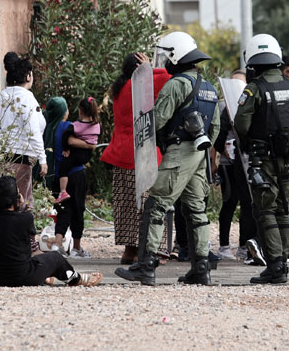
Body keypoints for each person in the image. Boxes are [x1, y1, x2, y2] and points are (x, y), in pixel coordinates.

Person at [116, 32, 221, 286]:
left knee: (156, 205)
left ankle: (146, 265)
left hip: (178, 152)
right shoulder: (207, 87)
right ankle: (201, 268)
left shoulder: (176, 84)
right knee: (196, 210)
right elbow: (215, 128)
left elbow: (158, 120)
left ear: (175, 55)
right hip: (199, 154)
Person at [234, 34, 289, 284]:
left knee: (265, 211)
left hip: (263, 160)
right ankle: (283, 263)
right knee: (283, 210)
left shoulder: (253, 89)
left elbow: (241, 125)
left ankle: (274, 265)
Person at [100, 52, 171, 264]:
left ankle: (129, 251)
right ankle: (148, 250)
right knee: (148, 203)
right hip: (143, 154)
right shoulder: (144, 83)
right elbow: (170, 76)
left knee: (127, 206)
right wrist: (150, 67)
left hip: (120, 153)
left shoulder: (119, 88)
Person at [0, 176, 101, 287]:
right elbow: (30, 248)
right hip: (21, 277)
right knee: (55, 258)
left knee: (38, 260)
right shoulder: (25, 218)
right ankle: (76, 279)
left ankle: (45, 276)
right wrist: (21, 207)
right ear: (15, 199)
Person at [0, 52, 47, 214]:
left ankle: (10, 237)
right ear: (28, 76)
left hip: (2, 155)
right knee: (22, 200)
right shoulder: (27, 98)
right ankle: (25, 238)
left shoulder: (2, 96)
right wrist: (43, 158)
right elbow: (34, 130)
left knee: (6, 199)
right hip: (21, 155)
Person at [215, 70, 257, 261]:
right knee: (229, 202)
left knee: (247, 204)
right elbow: (216, 134)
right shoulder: (223, 105)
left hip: (245, 160)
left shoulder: (250, 103)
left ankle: (243, 245)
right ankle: (224, 246)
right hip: (228, 163)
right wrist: (218, 153)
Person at [54, 97, 100, 204]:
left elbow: (66, 137)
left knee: (63, 167)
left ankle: (63, 191)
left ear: (80, 110)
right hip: (86, 156)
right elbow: (93, 144)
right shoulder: (96, 125)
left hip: (75, 155)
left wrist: (66, 149)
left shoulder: (75, 126)